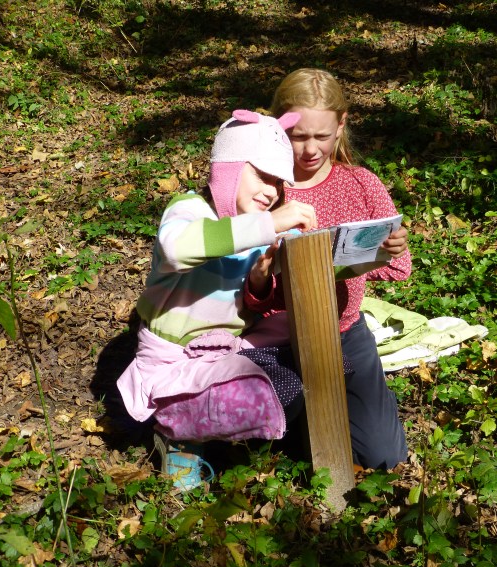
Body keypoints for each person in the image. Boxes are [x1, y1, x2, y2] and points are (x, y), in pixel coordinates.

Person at [117, 109, 317, 491]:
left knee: (310, 347)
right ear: (229, 168)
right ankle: (178, 429)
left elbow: (242, 309)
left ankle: (225, 431)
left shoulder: (251, 225)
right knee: (256, 395)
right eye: (262, 175)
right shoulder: (190, 210)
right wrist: (269, 224)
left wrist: (258, 281)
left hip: (223, 348)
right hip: (175, 357)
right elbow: (176, 249)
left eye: (278, 182)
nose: (271, 192)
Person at [244, 68, 411, 470]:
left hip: (344, 329)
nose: (310, 150)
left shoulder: (361, 184)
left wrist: (388, 249)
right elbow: (237, 286)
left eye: (321, 136)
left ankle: (340, 409)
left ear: (342, 125)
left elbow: (398, 268)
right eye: (298, 137)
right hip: (276, 335)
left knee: (384, 457)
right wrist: (262, 275)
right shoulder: (262, 187)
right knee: (305, 446)